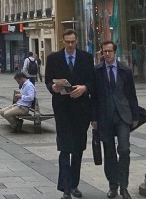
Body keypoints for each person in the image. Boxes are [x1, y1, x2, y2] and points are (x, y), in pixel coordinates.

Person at [46, 29, 94, 199]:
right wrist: (53, 87)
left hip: (81, 110)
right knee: (65, 148)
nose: (71, 45)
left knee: (78, 149)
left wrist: (85, 88)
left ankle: (74, 184)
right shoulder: (53, 58)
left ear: (77, 41)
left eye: (73, 41)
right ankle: (66, 187)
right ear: (63, 41)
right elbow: (48, 80)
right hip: (63, 110)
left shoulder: (87, 58)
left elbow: (92, 80)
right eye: (67, 42)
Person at [91, 41, 139, 199]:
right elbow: (94, 97)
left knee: (124, 150)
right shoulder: (97, 71)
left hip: (122, 116)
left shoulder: (125, 70)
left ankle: (124, 186)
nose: (107, 54)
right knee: (109, 152)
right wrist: (94, 118)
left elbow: (131, 94)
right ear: (102, 53)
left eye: (110, 51)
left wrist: (135, 116)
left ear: (114, 52)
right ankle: (113, 185)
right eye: (104, 51)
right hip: (104, 117)